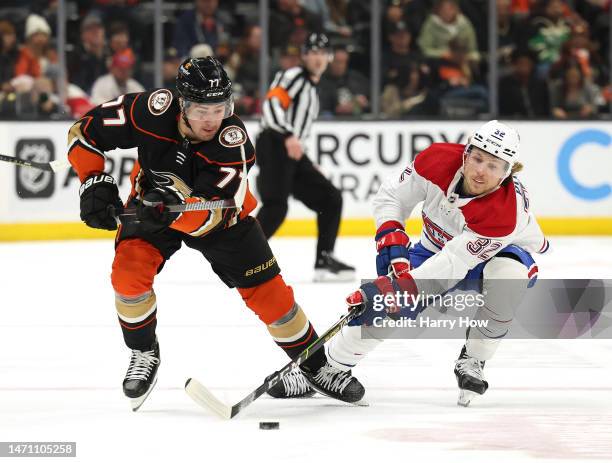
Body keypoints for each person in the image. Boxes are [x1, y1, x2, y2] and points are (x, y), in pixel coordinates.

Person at [66, 56, 364, 411]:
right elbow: (82, 132)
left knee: (272, 299)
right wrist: (92, 180)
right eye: (200, 109)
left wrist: (167, 211)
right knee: (127, 275)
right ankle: (144, 351)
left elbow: (209, 218)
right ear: (180, 104)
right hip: (152, 204)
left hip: (220, 218)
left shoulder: (233, 141)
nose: (211, 119)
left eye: (219, 108)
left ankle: (317, 365)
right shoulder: (149, 110)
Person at [313, 120, 549, 406]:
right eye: (477, 158)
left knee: (508, 279)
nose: (480, 171)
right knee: (388, 305)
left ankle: (474, 358)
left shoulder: (505, 212)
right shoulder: (436, 160)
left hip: (498, 254)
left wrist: (398, 290)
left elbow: (453, 265)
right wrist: (392, 235)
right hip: (434, 249)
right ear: (465, 153)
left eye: (494, 165)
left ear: (506, 173)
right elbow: (392, 196)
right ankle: (329, 368)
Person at [256, 33, 356, 282]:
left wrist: (308, 164)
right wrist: (288, 135)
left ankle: (324, 259)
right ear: (304, 55)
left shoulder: (311, 87)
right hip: (275, 143)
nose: (318, 57)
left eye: (322, 52)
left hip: (290, 149)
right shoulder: (293, 76)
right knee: (276, 207)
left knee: (330, 198)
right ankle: (242, 256)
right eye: (313, 52)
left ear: (329, 57)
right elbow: (271, 106)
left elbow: (297, 133)